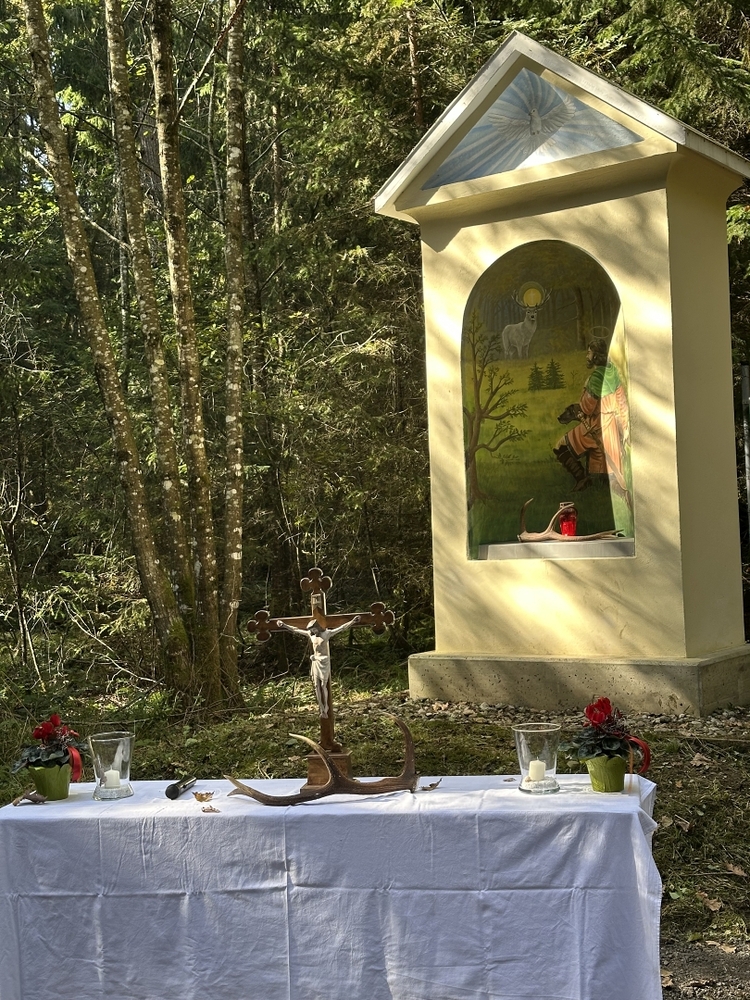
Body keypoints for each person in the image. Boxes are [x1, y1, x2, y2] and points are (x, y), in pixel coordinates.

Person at [553, 337, 631, 506]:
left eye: (589, 353)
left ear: (596, 356)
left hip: (595, 425)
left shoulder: (596, 378)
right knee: (604, 471)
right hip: (611, 427)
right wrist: (623, 429)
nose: (587, 356)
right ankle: (606, 495)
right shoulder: (613, 373)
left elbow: (587, 408)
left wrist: (585, 390)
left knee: (560, 446)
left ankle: (582, 479)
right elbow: (622, 404)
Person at [276, 616, 362, 718]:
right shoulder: (311, 635)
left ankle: (326, 707)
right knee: (316, 685)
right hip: (315, 662)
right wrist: (284, 625)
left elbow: (341, 628)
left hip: (324, 661)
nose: (314, 631)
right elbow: (296, 630)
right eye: (312, 630)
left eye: (314, 629)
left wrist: (352, 621)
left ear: (318, 627)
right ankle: (321, 708)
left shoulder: (326, 634)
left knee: (323, 685)